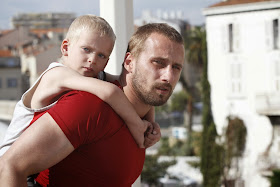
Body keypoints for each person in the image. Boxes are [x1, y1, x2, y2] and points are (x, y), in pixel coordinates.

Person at [0, 22, 185, 187]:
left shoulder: (137, 115)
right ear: (129, 62)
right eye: (158, 63)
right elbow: (9, 166)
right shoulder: (88, 104)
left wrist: (149, 124)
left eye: (176, 67)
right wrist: (139, 125)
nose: (168, 77)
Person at [0, 14, 157, 156]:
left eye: (101, 55)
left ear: (107, 62)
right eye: (86, 49)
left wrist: (150, 125)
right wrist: (137, 125)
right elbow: (111, 92)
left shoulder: (93, 76)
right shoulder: (57, 74)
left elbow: (128, 89)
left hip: (37, 158)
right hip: (10, 162)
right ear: (65, 48)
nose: (92, 59)